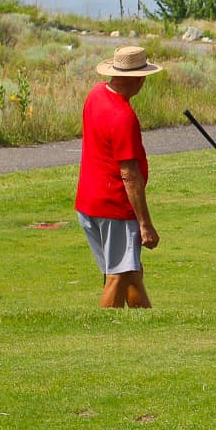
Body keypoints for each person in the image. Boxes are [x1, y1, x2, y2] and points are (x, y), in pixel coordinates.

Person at [74, 45, 163, 309]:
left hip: (89, 202)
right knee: (117, 275)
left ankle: (148, 327)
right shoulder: (124, 116)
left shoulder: (96, 94)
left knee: (130, 272)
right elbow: (129, 175)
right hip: (114, 206)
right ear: (135, 79)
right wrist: (145, 223)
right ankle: (105, 334)